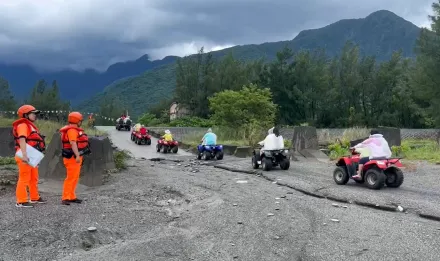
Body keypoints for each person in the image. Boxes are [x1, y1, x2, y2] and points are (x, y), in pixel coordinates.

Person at [12, 105, 46, 208]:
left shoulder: (29, 125)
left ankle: (34, 197)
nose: (35, 116)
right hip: (25, 155)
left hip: (31, 155)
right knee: (24, 178)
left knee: (33, 178)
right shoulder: (23, 125)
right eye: (33, 114)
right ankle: (21, 201)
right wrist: (24, 156)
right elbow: (22, 139)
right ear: (26, 115)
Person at [59, 112, 90, 205]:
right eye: (80, 120)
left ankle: (71, 196)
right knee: (70, 178)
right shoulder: (72, 131)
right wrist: (77, 155)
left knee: (75, 177)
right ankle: (65, 197)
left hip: (75, 157)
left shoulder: (73, 130)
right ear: (77, 121)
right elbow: (73, 143)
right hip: (72, 157)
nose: (81, 122)